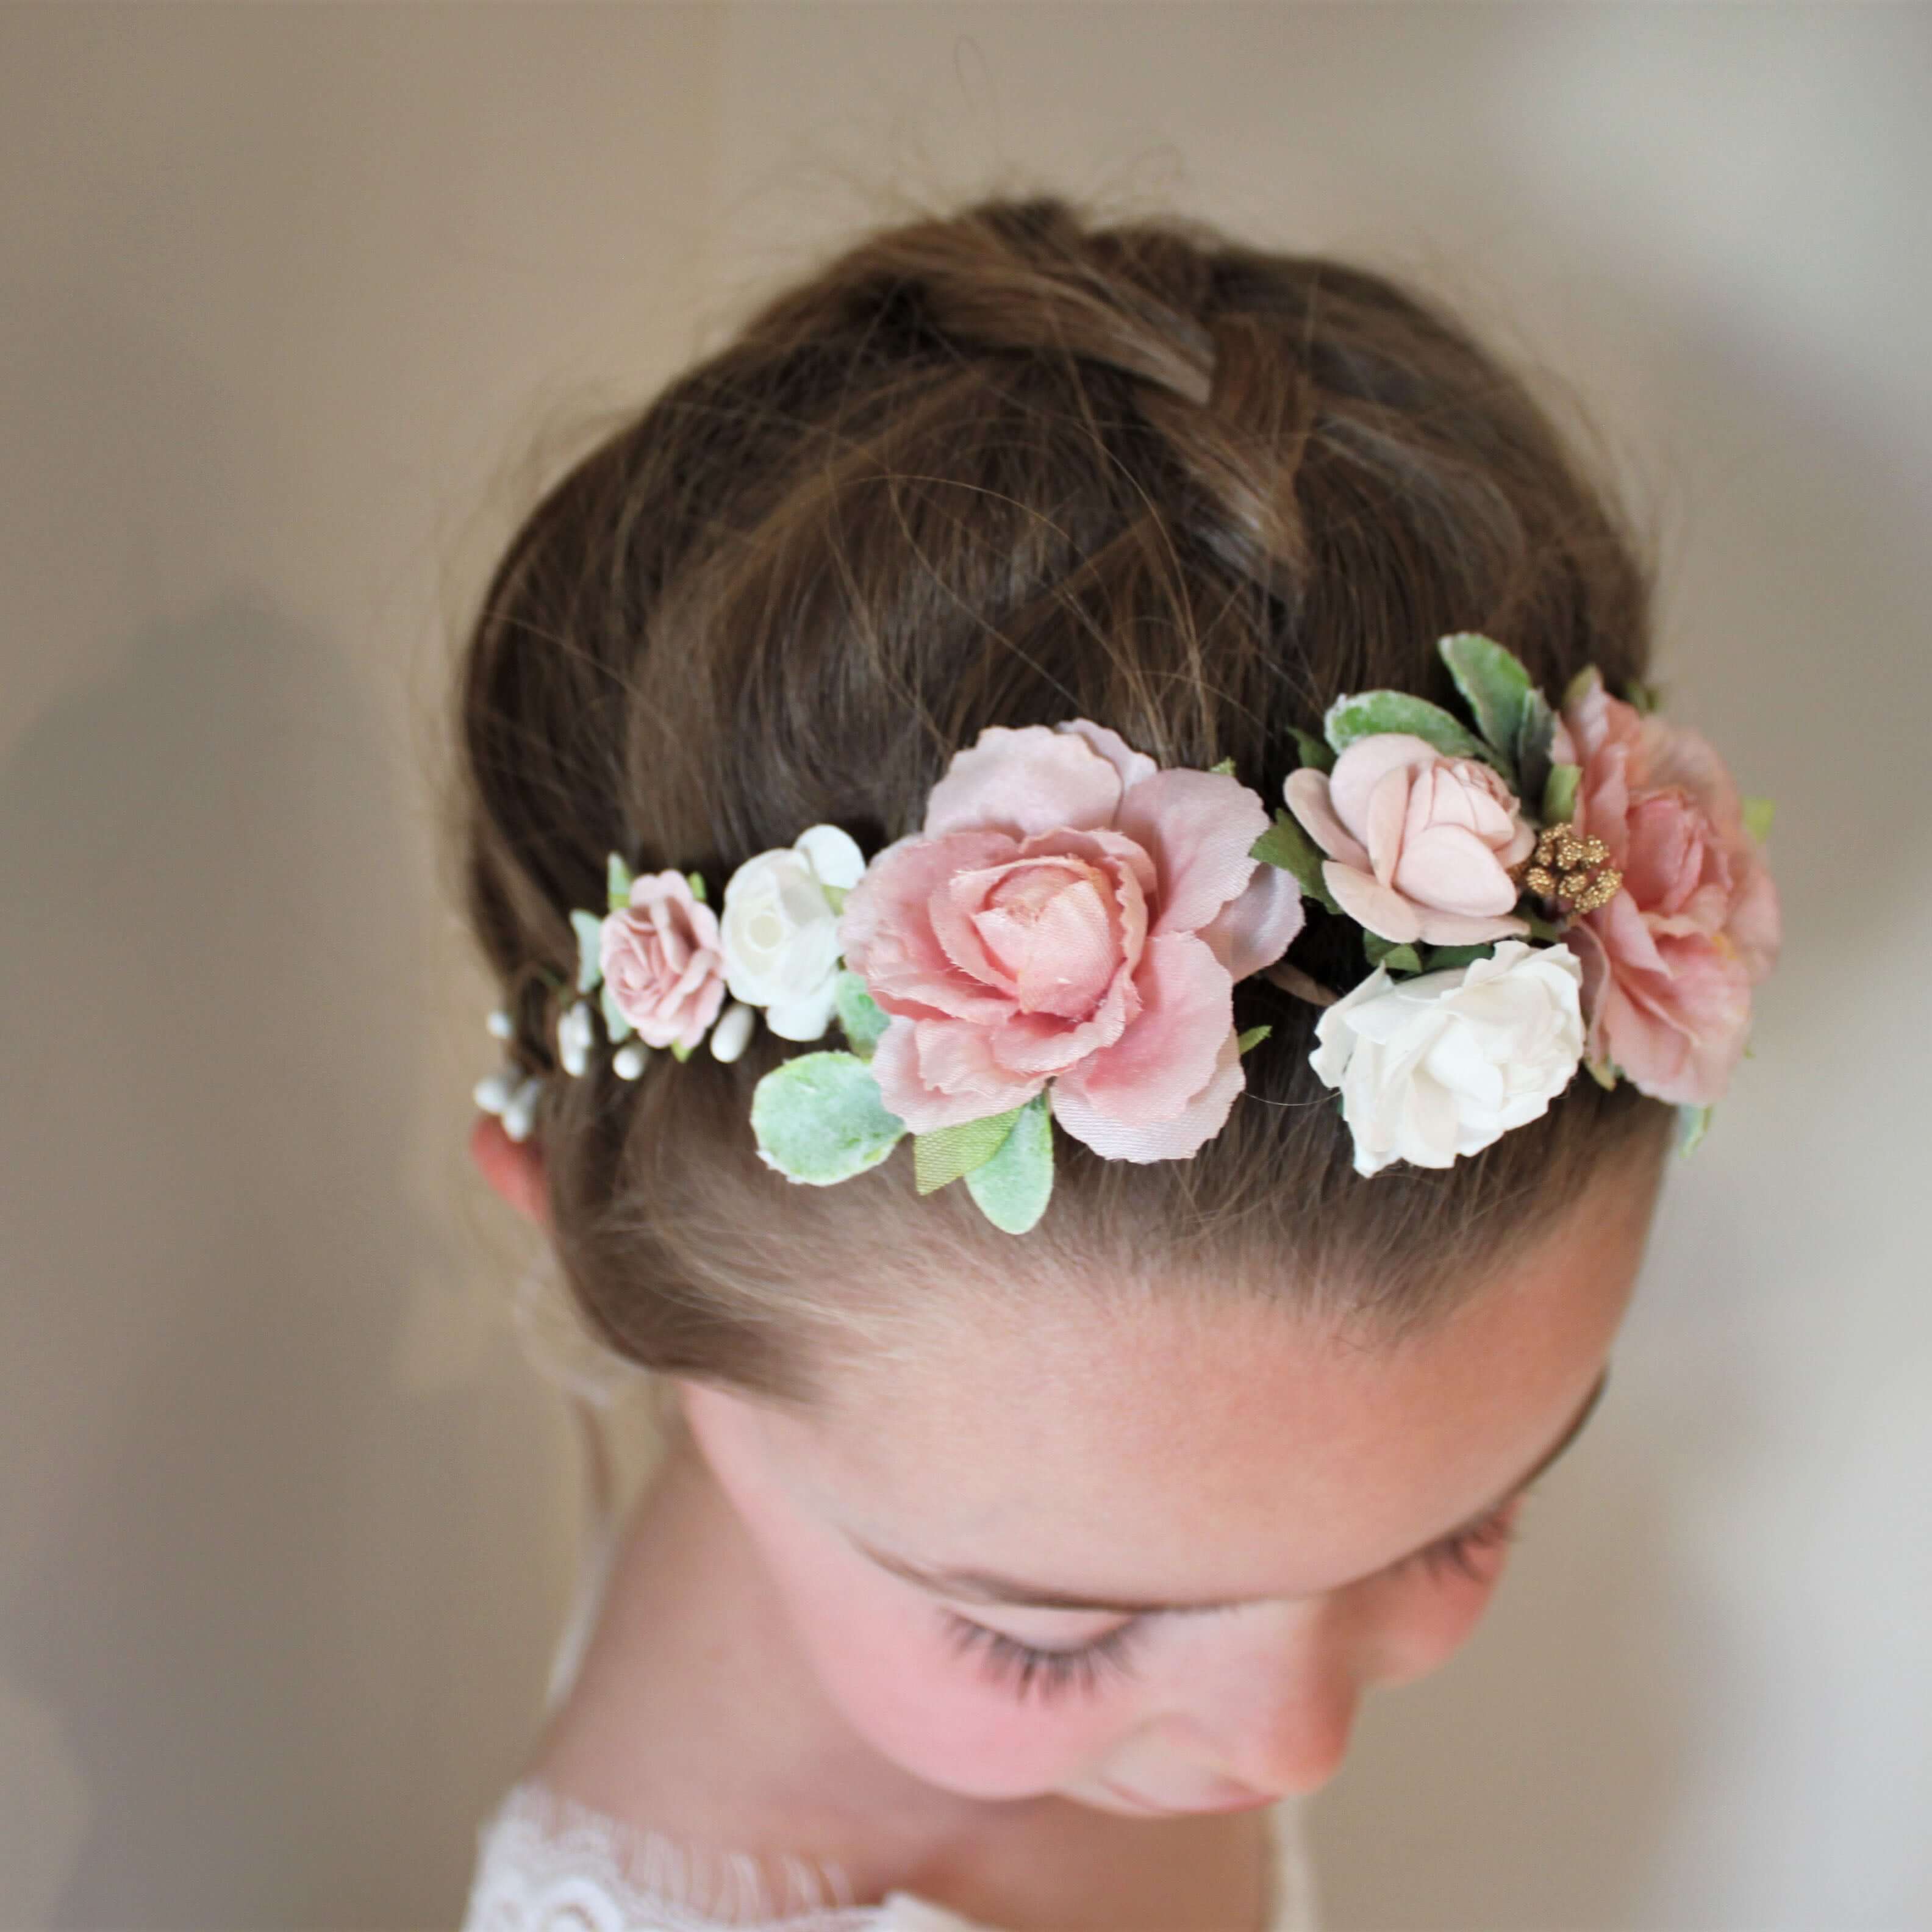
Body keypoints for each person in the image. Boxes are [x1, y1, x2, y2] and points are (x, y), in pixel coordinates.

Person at [451, 191, 1780, 1932]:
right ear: (574, 1242)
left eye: (1465, 1525)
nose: (1293, 1746)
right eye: (1043, 1637)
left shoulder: (895, 1470)